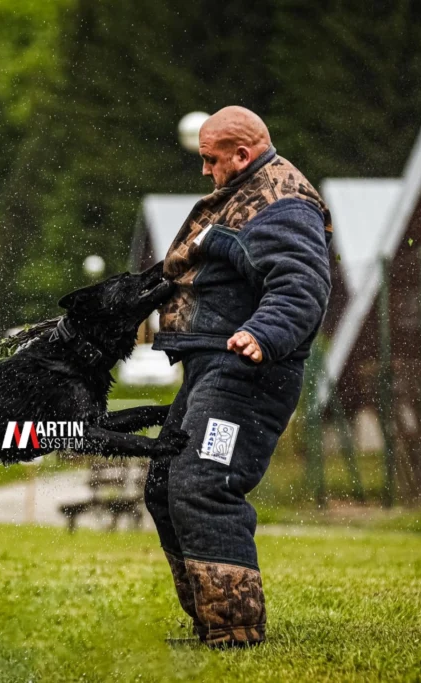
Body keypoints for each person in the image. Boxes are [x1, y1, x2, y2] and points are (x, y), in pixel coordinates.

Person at [147, 106, 332, 648]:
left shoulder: (281, 202)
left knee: (204, 484)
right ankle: (212, 620)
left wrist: (264, 333)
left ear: (242, 154)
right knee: (164, 485)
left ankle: (234, 631)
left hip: (248, 372)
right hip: (215, 368)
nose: (205, 169)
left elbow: (302, 284)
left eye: (211, 159)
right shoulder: (244, 193)